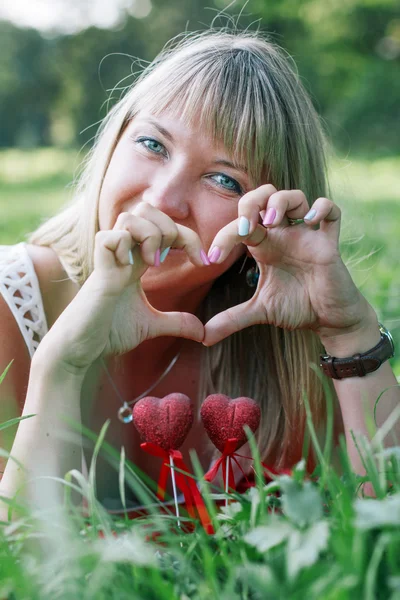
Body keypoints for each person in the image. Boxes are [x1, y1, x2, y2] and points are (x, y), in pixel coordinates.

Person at [0, 29, 398, 521]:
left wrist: (349, 334)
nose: (165, 199)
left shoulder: (283, 366)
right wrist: (60, 367)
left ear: (269, 220)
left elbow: (385, 533)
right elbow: (18, 568)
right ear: (114, 141)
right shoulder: (10, 303)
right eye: (152, 144)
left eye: (224, 179)